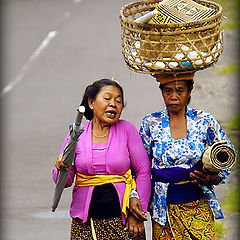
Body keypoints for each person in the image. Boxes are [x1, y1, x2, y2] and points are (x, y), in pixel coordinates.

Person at [130, 71, 236, 239]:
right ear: (162, 92)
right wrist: (135, 197)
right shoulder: (151, 123)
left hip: (197, 204)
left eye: (180, 91)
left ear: (189, 93)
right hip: (162, 208)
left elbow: (228, 153)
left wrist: (214, 178)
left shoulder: (204, 120)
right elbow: (140, 167)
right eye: (168, 91)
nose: (173, 96)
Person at [52, 78, 151, 240]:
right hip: (85, 226)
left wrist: (138, 214)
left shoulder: (127, 129)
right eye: (107, 99)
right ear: (91, 102)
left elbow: (143, 171)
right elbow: (65, 181)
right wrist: (60, 166)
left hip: (124, 223)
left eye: (118, 101)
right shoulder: (77, 134)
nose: (113, 104)